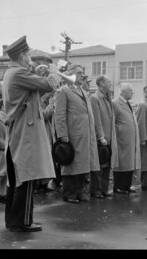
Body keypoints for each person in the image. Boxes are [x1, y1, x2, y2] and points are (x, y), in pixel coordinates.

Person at [2, 35, 59, 232]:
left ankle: (13, 220)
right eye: (27, 54)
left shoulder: (13, 73)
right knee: (27, 175)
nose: (30, 59)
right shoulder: (18, 73)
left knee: (17, 177)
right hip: (24, 132)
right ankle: (23, 222)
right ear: (21, 55)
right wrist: (53, 71)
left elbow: (34, 94)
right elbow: (49, 85)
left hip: (18, 130)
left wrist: (38, 76)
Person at [54, 64, 100, 203]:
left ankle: (79, 192)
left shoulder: (82, 91)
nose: (82, 75)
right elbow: (59, 114)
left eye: (82, 72)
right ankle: (69, 194)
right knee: (71, 164)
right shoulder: (64, 91)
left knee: (83, 165)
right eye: (79, 73)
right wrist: (63, 134)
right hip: (73, 134)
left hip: (85, 134)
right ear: (71, 75)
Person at [89, 75, 119, 198]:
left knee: (106, 164)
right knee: (99, 165)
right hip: (101, 138)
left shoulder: (107, 98)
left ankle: (104, 189)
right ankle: (96, 190)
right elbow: (96, 119)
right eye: (108, 81)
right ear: (101, 83)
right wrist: (100, 136)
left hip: (109, 136)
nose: (110, 83)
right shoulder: (94, 98)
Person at [112, 83, 141, 194]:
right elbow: (112, 122)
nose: (132, 92)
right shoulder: (115, 103)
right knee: (121, 164)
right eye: (129, 90)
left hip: (130, 139)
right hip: (121, 139)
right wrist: (120, 131)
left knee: (129, 163)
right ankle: (119, 186)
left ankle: (127, 185)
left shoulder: (128, 104)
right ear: (122, 91)